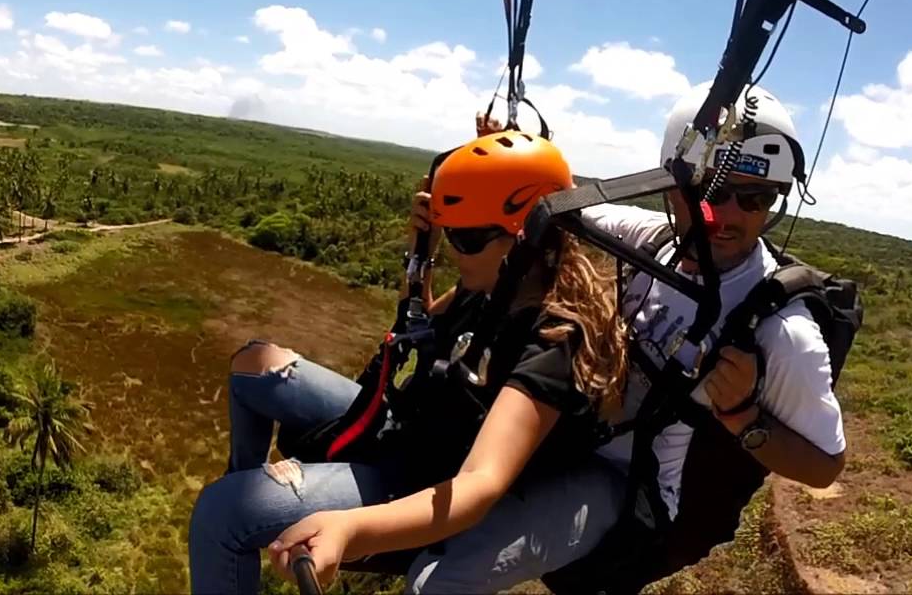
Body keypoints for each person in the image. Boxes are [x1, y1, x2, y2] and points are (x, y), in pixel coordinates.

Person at [189, 130, 633, 594]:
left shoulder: (552, 341)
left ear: (528, 239)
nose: (456, 250)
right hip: (412, 426)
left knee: (221, 514)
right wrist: (424, 245)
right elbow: (414, 326)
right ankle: (259, 518)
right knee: (253, 368)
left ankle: (245, 526)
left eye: (467, 237)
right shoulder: (492, 288)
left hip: (422, 477)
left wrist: (350, 529)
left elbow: (481, 483)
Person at [480, 83, 848, 591]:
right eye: (716, 190)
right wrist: (503, 156)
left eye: (757, 197)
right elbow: (555, 206)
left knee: (455, 568)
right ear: (673, 184)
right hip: (573, 437)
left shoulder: (782, 333)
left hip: (631, 491)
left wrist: (744, 417)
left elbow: (826, 466)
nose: (733, 216)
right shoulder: (653, 238)